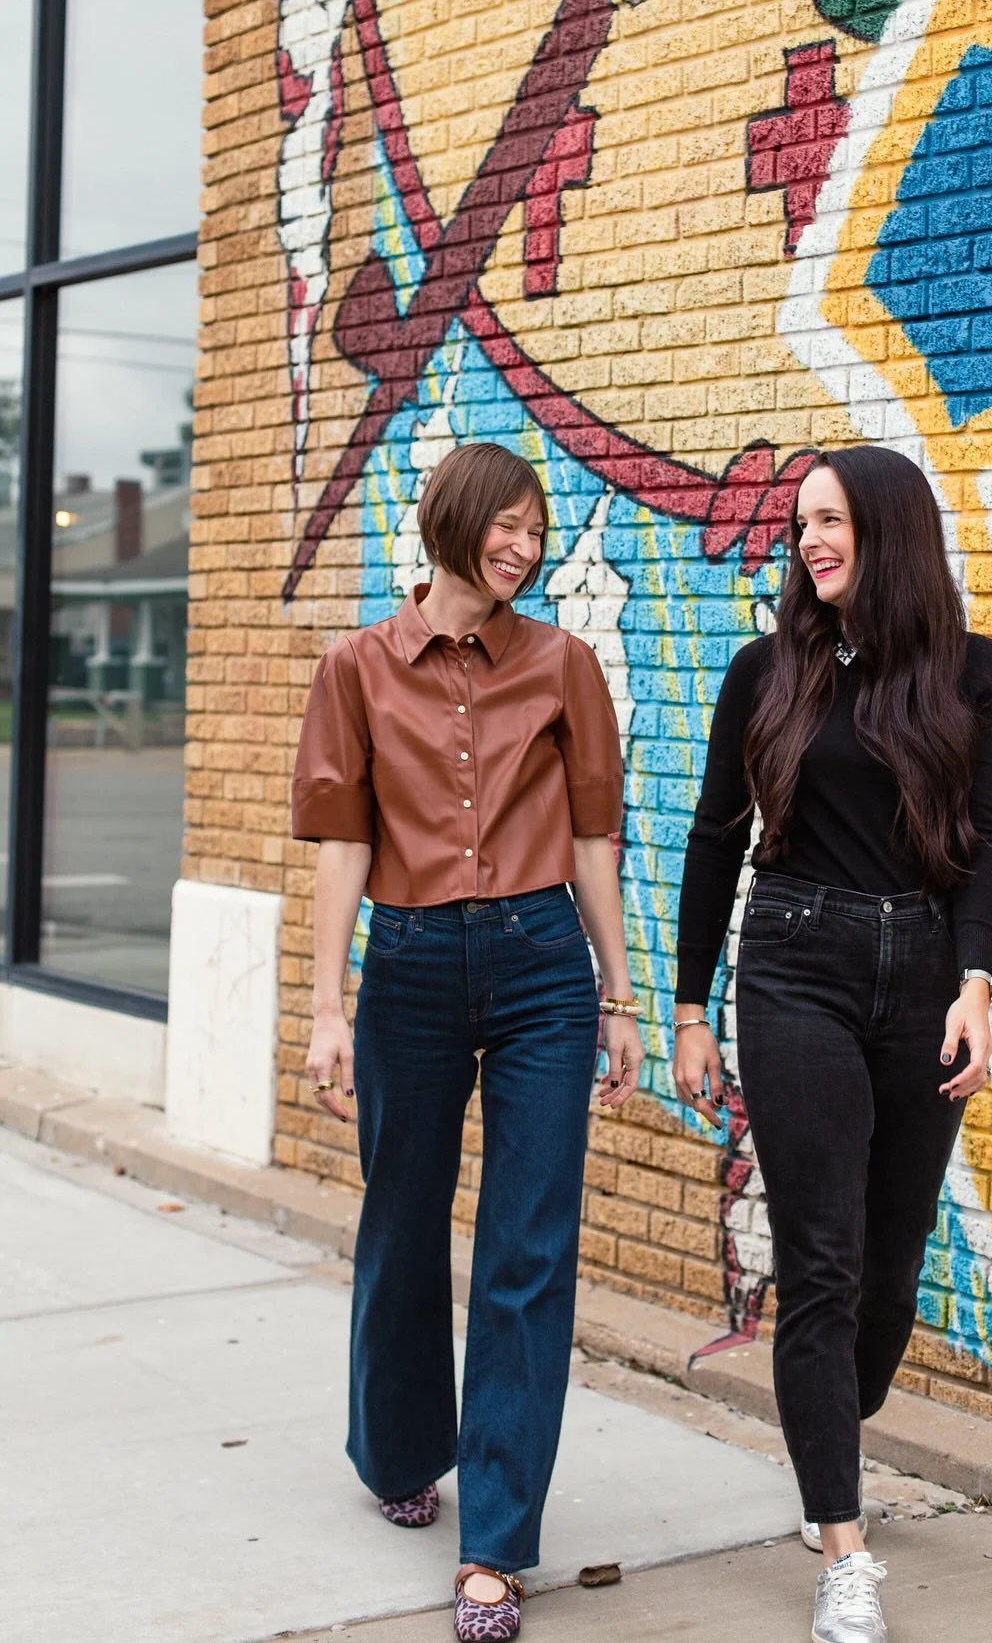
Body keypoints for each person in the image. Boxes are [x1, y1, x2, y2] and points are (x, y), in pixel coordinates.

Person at [292, 441, 643, 1642]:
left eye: (536, 531)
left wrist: (618, 997)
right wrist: (326, 1008)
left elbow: (590, 839)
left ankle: (493, 1543)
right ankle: (398, 1449)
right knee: (401, 1220)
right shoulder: (354, 668)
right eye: (508, 525)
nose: (524, 549)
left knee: (526, 1249)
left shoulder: (562, 664)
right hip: (409, 965)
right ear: (453, 519)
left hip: (543, 965)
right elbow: (343, 842)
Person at [673, 445, 992, 1643]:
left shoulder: (974, 675)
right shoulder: (765, 670)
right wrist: (687, 1007)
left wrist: (974, 982)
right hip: (794, 965)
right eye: (799, 523)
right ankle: (842, 1548)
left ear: (888, 528)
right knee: (818, 1262)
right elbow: (714, 838)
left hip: (922, 971)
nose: (808, 540)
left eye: (830, 520)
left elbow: (984, 842)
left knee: (888, 1263)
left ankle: (828, 1434)